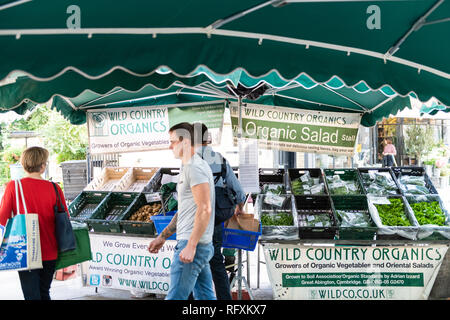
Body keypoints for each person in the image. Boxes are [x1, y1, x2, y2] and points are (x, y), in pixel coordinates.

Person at [148, 122, 216, 300]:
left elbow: (204, 208)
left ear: (185, 141)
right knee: (205, 297)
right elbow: (186, 210)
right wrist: (163, 236)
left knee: (175, 296)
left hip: (192, 244)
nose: (170, 146)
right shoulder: (189, 166)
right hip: (196, 243)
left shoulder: (195, 167)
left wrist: (191, 245)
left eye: (172, 141)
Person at [0, 146, 68, 300]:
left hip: (25, 251)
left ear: (24, 165)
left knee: (32, 295)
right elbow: (65, 217)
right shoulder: (55, 188)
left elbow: (2, 219)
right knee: (44, 293)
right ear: (43, 166)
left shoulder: (14, 187)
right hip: (50, 250)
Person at [192, 122, 246, 300]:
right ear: (208, 139)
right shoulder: (220, 159)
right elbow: (238, 190)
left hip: (196, 219)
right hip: (215, 218)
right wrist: (240, 207)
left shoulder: (190, 160)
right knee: (216, 263)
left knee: (192, 261)